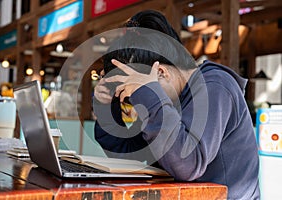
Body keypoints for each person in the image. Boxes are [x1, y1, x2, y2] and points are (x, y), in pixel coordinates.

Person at [93, 10, 260, 200]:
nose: (136, 101)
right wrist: (107, 109)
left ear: (161, 73)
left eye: (136, 92)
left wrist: (148, 94)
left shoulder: (216, 86)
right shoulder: (167, 102)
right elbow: (133, 158)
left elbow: (187, 164)